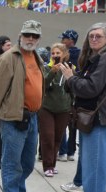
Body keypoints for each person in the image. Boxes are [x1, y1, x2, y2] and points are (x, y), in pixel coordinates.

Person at [58, 23, 106, 192]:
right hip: (91, 121)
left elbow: (91, 88)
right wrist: (73, 78)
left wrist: (71, 78)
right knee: (90, 169)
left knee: (94, 172)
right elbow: (86, 84)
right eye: (91, 35)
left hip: (99, 120)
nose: (94, 39)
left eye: (98, 36)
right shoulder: (95, 58)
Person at [0, 20, 44, 192]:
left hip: (32, 117)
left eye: (35, 36)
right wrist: (0, 116)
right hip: (13, 118)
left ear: (39, 38)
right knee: (12, 162)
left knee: (28, 162)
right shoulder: (8, 58)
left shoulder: (35, 56)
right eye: (27, 34)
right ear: (20, 35)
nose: (30, 38)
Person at [39, 43, 72, 177]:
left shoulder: (70, 69)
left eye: (58, 53)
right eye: (53, 53)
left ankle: (53, 164)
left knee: (58, 137)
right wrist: (52, 72)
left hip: (63, 108)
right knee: (48, 136)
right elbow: (43, 85)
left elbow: (72, 88)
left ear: (64, 54)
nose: (55, 56)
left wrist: (72, 106)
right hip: (47, 108)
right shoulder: (47, 68)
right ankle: (47, 166)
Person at [56, 28, 81, 163]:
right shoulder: (83, 54)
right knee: (73, 124)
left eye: (64, 38)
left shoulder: (63, 54)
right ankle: (71, 152)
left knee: (62, 122)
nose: (62, 40)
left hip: (64, 89)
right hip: (77, 90)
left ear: (70, 40)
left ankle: (63, 151)